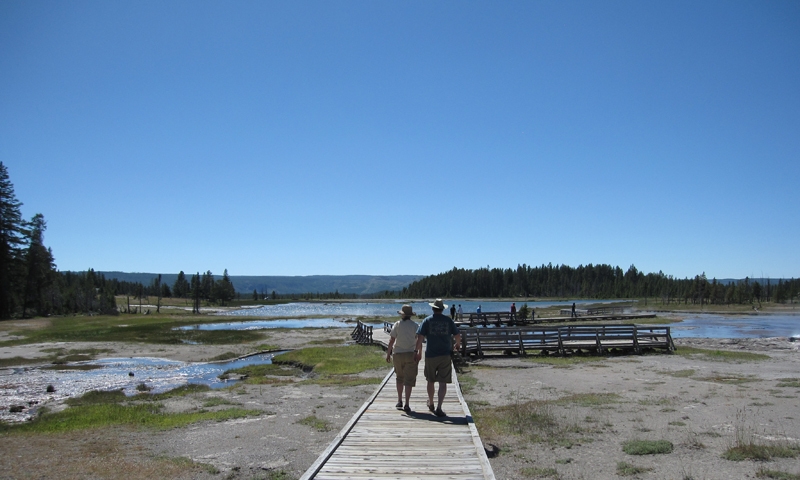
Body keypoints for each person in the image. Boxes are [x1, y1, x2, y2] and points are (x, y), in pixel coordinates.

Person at [415, 299, 461, 418]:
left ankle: (431, 403)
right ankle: (439, 407)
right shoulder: (448, 321)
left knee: (430, 380)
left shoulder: (427, 320)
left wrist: (416, 350)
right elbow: (457, 334)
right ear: (442, 309)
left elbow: (420, 337)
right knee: (442, 382)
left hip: (431, 355)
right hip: (445, 355)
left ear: (433, 308)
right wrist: (458, 344)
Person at [386, 305, 420, 414]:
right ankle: (407, 403)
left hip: (398, 354)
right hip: (410, 354)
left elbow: (392, 340)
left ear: (402, 314)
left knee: (399, 377)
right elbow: (419, 340)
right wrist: (419, 352)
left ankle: (399, 400)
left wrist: (388, 354)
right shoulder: (415, 326)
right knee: (409, 379)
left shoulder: (397, 324)